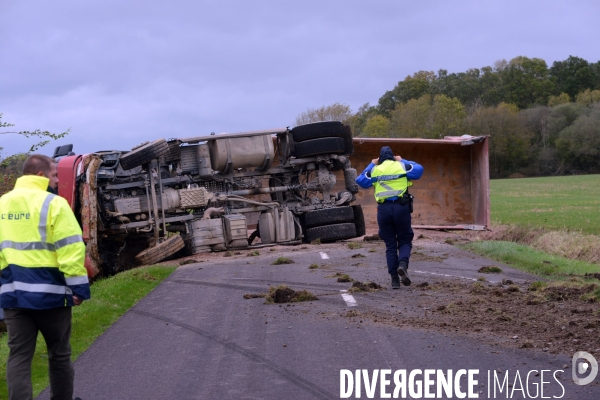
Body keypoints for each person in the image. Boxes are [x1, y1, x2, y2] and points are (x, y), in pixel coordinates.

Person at [0, 154, 90, 400]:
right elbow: (70, 249)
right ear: (40, 175)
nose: (57, 180)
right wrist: (79, 289)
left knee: (18, 356)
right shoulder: (55, 204)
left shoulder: (2, 204)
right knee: (59, 354)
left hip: (14, 295)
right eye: (54, 175)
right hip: (51, 296)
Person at [356, 146, 423, 289]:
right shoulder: (401, 166)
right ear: (393, 156)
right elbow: (419, 170)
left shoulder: (375, 169)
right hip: (401, 208)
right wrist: (402, 160)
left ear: (380, 158)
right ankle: (403, 265)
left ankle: (394, 280)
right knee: (405, 240)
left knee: (390, 245)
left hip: (384, 210)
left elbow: (360, 180)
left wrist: (372, 163)